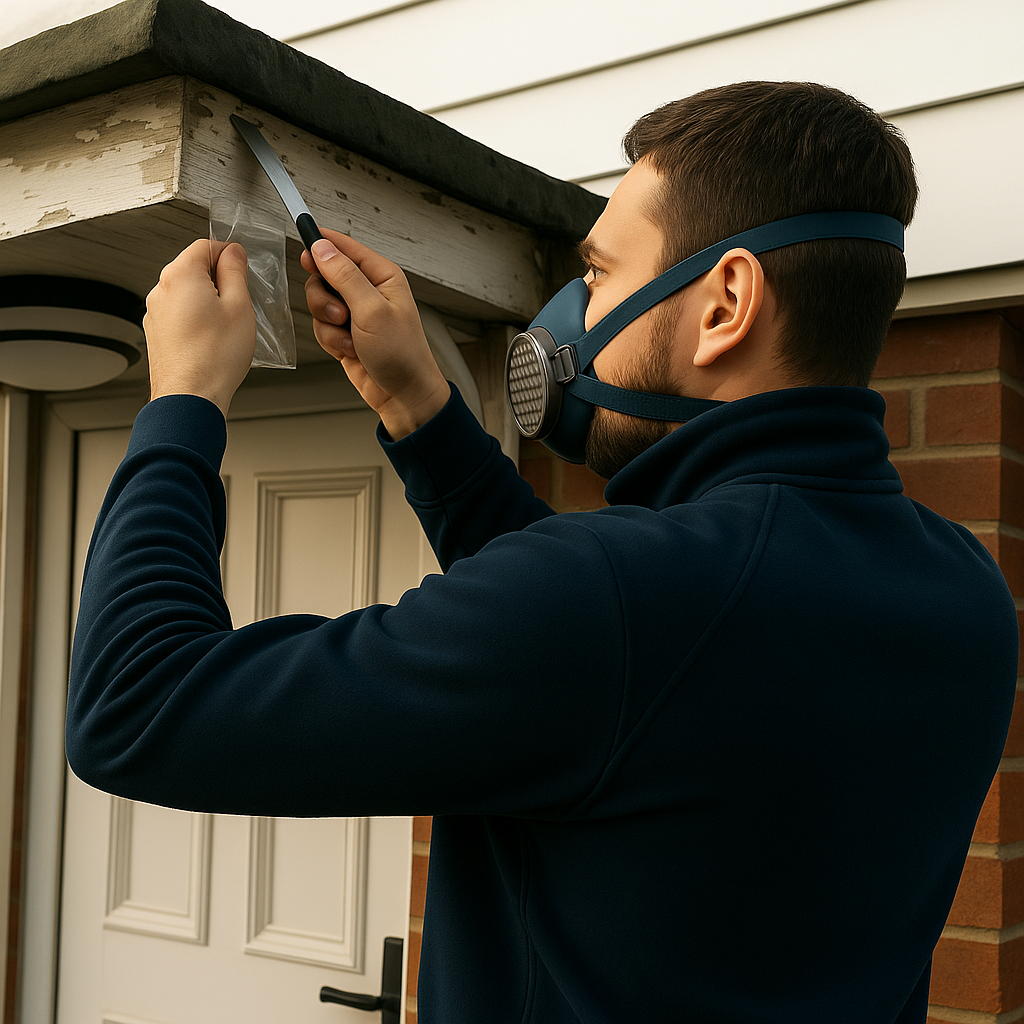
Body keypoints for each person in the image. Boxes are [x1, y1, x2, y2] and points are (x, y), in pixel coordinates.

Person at [66, 81, 1018, 1023]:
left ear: (727, 300)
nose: (577, 307)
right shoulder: (962, 589)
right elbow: (627, 674)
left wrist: (182, 402)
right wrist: (417, 405)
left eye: (601, 274)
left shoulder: (625, 599)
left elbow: (136, 705)